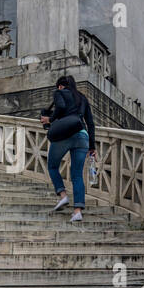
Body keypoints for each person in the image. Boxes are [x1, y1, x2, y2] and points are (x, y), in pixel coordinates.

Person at [40, 75, 97, 223]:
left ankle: (63, 195)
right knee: (77, 174)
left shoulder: (59, 93)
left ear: (60, 86)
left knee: (52, 165)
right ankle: (77, 211)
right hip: (82, 136)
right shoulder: (82, 98)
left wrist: (49, 119)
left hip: (66, 133)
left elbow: (61, 107)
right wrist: (92, 146)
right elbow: (90, 123)